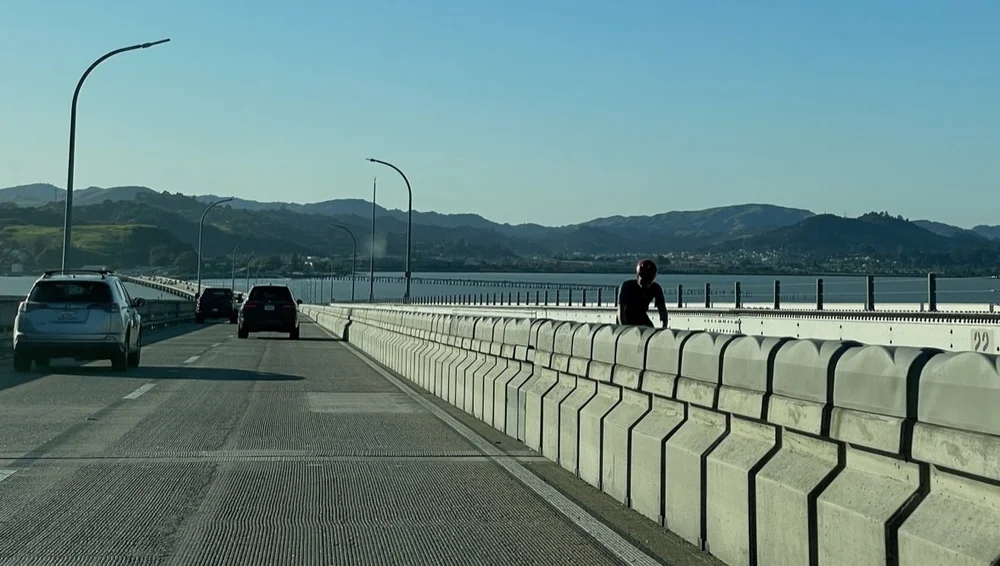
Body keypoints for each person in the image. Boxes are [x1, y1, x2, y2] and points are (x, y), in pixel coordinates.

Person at [617, 259, 668, 328]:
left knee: (650, 331)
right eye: (643, 281)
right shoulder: (627, 286)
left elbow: (662, 310)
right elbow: (621, 310)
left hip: (641, 315)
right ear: (637, 276)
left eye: (649, 281)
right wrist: (624, 328)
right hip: (626, 316)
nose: (646, 285)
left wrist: (664, 326)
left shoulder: (656, 288)